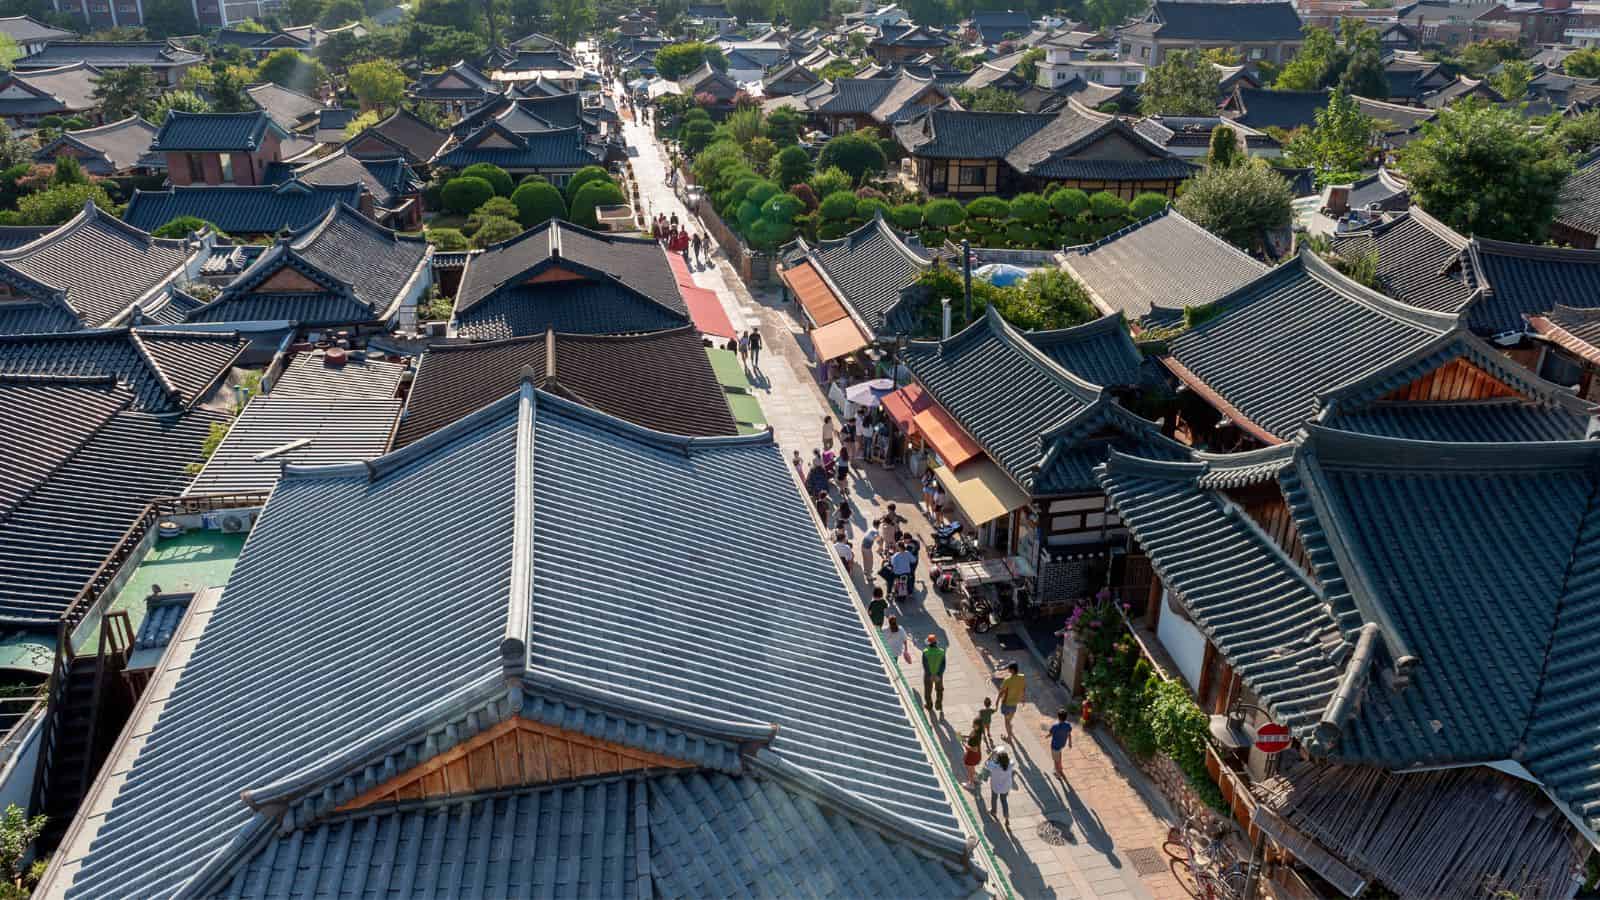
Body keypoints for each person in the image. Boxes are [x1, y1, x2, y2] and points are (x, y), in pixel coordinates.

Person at [996, 662, 1025, 741]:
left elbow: (1001, 692)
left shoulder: (1007, 680)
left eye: (1009, 668)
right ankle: (1010, 729)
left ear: (1012, 670)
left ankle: (1009, 737)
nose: (1008, 669)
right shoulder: (1022, 677)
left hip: (1006, 704)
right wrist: (1023, 699)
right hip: (1014, 703)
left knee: (1006, 722)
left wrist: (997, 702)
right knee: (1009, 720)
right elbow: (1023, 689)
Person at [985, 748, 1014, 826]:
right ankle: (1006, 818)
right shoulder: (1010, 764)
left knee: (994, 798)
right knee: (1004, 801)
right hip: (1006, 787)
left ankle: (993, 811)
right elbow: (1011, 760)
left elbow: (986, 763)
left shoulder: (994, 766)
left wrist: (991, 754)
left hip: (995, 786)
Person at [921, 634, 945, 714]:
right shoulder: (941, 651)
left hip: (928, 676)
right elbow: (943, 665)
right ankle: (938, 705)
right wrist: (938, 674)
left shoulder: (925, 652)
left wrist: (931, 675)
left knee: (928, 692)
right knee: (939, 690)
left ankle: (929, 705)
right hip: (939, 676)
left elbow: (925, 665)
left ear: (928, 643)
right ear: (936, 643)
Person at [1048, 707, 1074, 777]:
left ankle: (1057, 773)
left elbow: (1051, 733)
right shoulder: (1068, 725)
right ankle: (1060, 767)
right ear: (1066, 717)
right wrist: (1070, 743)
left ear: (1058, 717)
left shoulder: (1055, 726)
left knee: (1055, 760)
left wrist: (1047, 736)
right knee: (1059, 754)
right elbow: (1069, 734)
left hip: (1055, 746)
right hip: (1062, 744)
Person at [962, 719, 984, 788]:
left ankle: (971, 784)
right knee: (972, 768)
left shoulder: (976, 736)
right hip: (976, 755)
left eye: (974, 724)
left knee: (969, 769)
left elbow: (975, 749)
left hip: (972, 756)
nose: (973, 725)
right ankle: (975, 778)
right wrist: (965, 737)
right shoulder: (977, 731)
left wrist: (965, 745)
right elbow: (971, 737)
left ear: (978, 726)